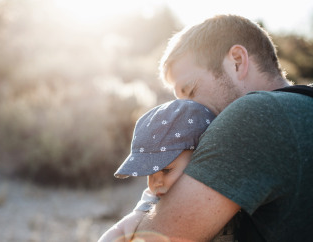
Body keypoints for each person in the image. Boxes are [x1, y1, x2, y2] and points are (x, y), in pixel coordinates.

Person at [127, 14, 313, 241]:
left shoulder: (254, 115)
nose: (187, 112)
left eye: (191, 91)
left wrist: (139, 216)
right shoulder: (303, 106)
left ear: (237, 60)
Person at [98, 99, 216, 242]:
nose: (156, 183)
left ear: (199, 156)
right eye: (149, 174)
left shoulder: (218, 187)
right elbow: (121, 229)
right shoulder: (154, 198)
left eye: (166, 170)